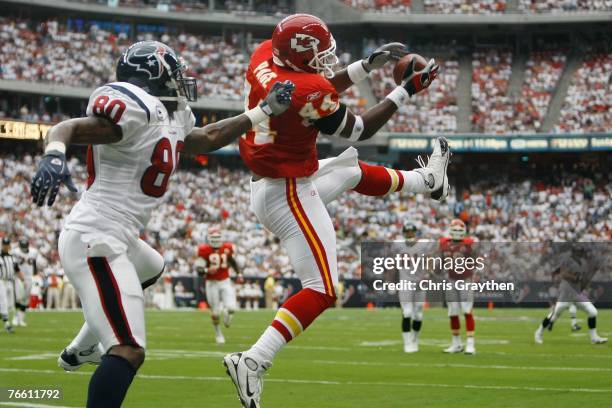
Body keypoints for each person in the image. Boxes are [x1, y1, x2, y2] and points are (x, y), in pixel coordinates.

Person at [30, 40, 294, 408]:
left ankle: (83, 346)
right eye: (172, 74)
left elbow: (206, 138)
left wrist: (262, 111)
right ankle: (91, 346)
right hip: (96, 234)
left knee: (152, 265)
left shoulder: (171, 115)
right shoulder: (135, 107)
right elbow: (66, 128)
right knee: (128, 350)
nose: (180, 80)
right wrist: (55, 156)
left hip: (118, 234)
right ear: (151, 76)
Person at [223, 14, 448, 408]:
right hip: (287, 192)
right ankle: (254, 360)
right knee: (323, 289)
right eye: (320, 53)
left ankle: (428, 182)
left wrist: (366, 66)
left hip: (275, 180)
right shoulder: (303, 88)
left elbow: (318, 87)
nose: (328, 59)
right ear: (299, 54)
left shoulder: (267, 54)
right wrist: (405, 92)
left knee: (349, 170)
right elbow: (359, 128)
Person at [535, 244, 607, 345]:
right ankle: (539, 332)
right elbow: (563, 274)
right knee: (555, 314)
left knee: (593, 312)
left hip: (577, 292)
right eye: (582, 251)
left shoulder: (583, 262)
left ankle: (594, 337)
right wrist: (575, 278)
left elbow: (582, 279)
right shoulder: (568, 260)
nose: (584, 253)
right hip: (567, 291)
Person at [197, 225, 242, 344]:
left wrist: (239, 273)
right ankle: (218, 333)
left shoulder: (227, 248)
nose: (216, 241)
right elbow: (199, 269)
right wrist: (207, 270)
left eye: (218, 238)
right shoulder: (204, 250)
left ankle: (227, 314)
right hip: (211, 283)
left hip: (225, 281)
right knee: (215, 312)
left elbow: (232, 261)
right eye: (214, 238)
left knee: (231, 308)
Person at [439, 219, 477, 354]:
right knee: (453, 312)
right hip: (450, 280)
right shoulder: (443, 244)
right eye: (454, 230)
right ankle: (456, 344)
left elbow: (478, 258)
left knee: (467, 311)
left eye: (459, 231)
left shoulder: (469, 243)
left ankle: (471, 344)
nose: (456, 233)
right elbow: (440, 261)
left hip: (465, 280)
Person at [397, 223, 433, 353]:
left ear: (415, 233)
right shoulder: (398, 245)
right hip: (405, 282)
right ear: (404, 233)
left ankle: (414, 339)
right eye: (407, 232)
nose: (409, 234)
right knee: (407, 312)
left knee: (418, 313)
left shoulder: (423, 245)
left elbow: (429, 258)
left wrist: (428, 273)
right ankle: (407, 343)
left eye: (411, 232)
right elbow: (391, 264)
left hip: (419, 282)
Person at [12, 238, 39, 326]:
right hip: (19, 277)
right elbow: (15, 265)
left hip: (29, 277)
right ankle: (15, 317)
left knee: (25, 299)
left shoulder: (33, 252)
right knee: (19, 297)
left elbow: (34, 264)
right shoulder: (15, 252)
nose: (23, 249)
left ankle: (21, 319)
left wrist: (35, 274)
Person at [1, 237, 24, 333]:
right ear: (2, 245)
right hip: (1, 281)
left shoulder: (11, 257)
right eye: (5, 245)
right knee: (4, 303)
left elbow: (16, 268)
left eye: (8, 244)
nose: (6, 246)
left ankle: (4, 318)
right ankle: (7, 325)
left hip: (10, 281)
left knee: (10, 304)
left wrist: (22, 278)